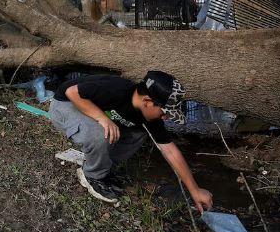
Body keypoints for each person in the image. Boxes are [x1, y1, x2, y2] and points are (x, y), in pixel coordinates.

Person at [49, 70, 213, 212]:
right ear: (148, 102)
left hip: (88, 110)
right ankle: (92, 176)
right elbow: (72, 92)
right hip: (65, 105)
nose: (166, 117)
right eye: (164, 112)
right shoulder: (117, 89)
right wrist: (103, 119)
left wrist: (195, 190)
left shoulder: (150, 117)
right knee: (101, 132)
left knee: (139, 132)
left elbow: (170, 151)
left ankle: (102, 165)